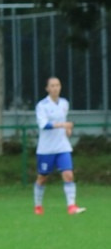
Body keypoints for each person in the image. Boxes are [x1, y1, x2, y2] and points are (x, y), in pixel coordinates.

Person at [34, 76, 85, 215]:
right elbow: (44, 125)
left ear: (60, 87)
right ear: (47, 88)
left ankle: (71, 206)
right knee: (42, 178)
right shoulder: (42, 105)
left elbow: (64, 123)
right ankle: (38, 206)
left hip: (63, 147)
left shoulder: (64, 103)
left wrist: (67, 130)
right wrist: (63, 125)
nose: (55, 88)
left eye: (57, 85)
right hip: (46, 149)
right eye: (52, 85)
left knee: (68, 175)